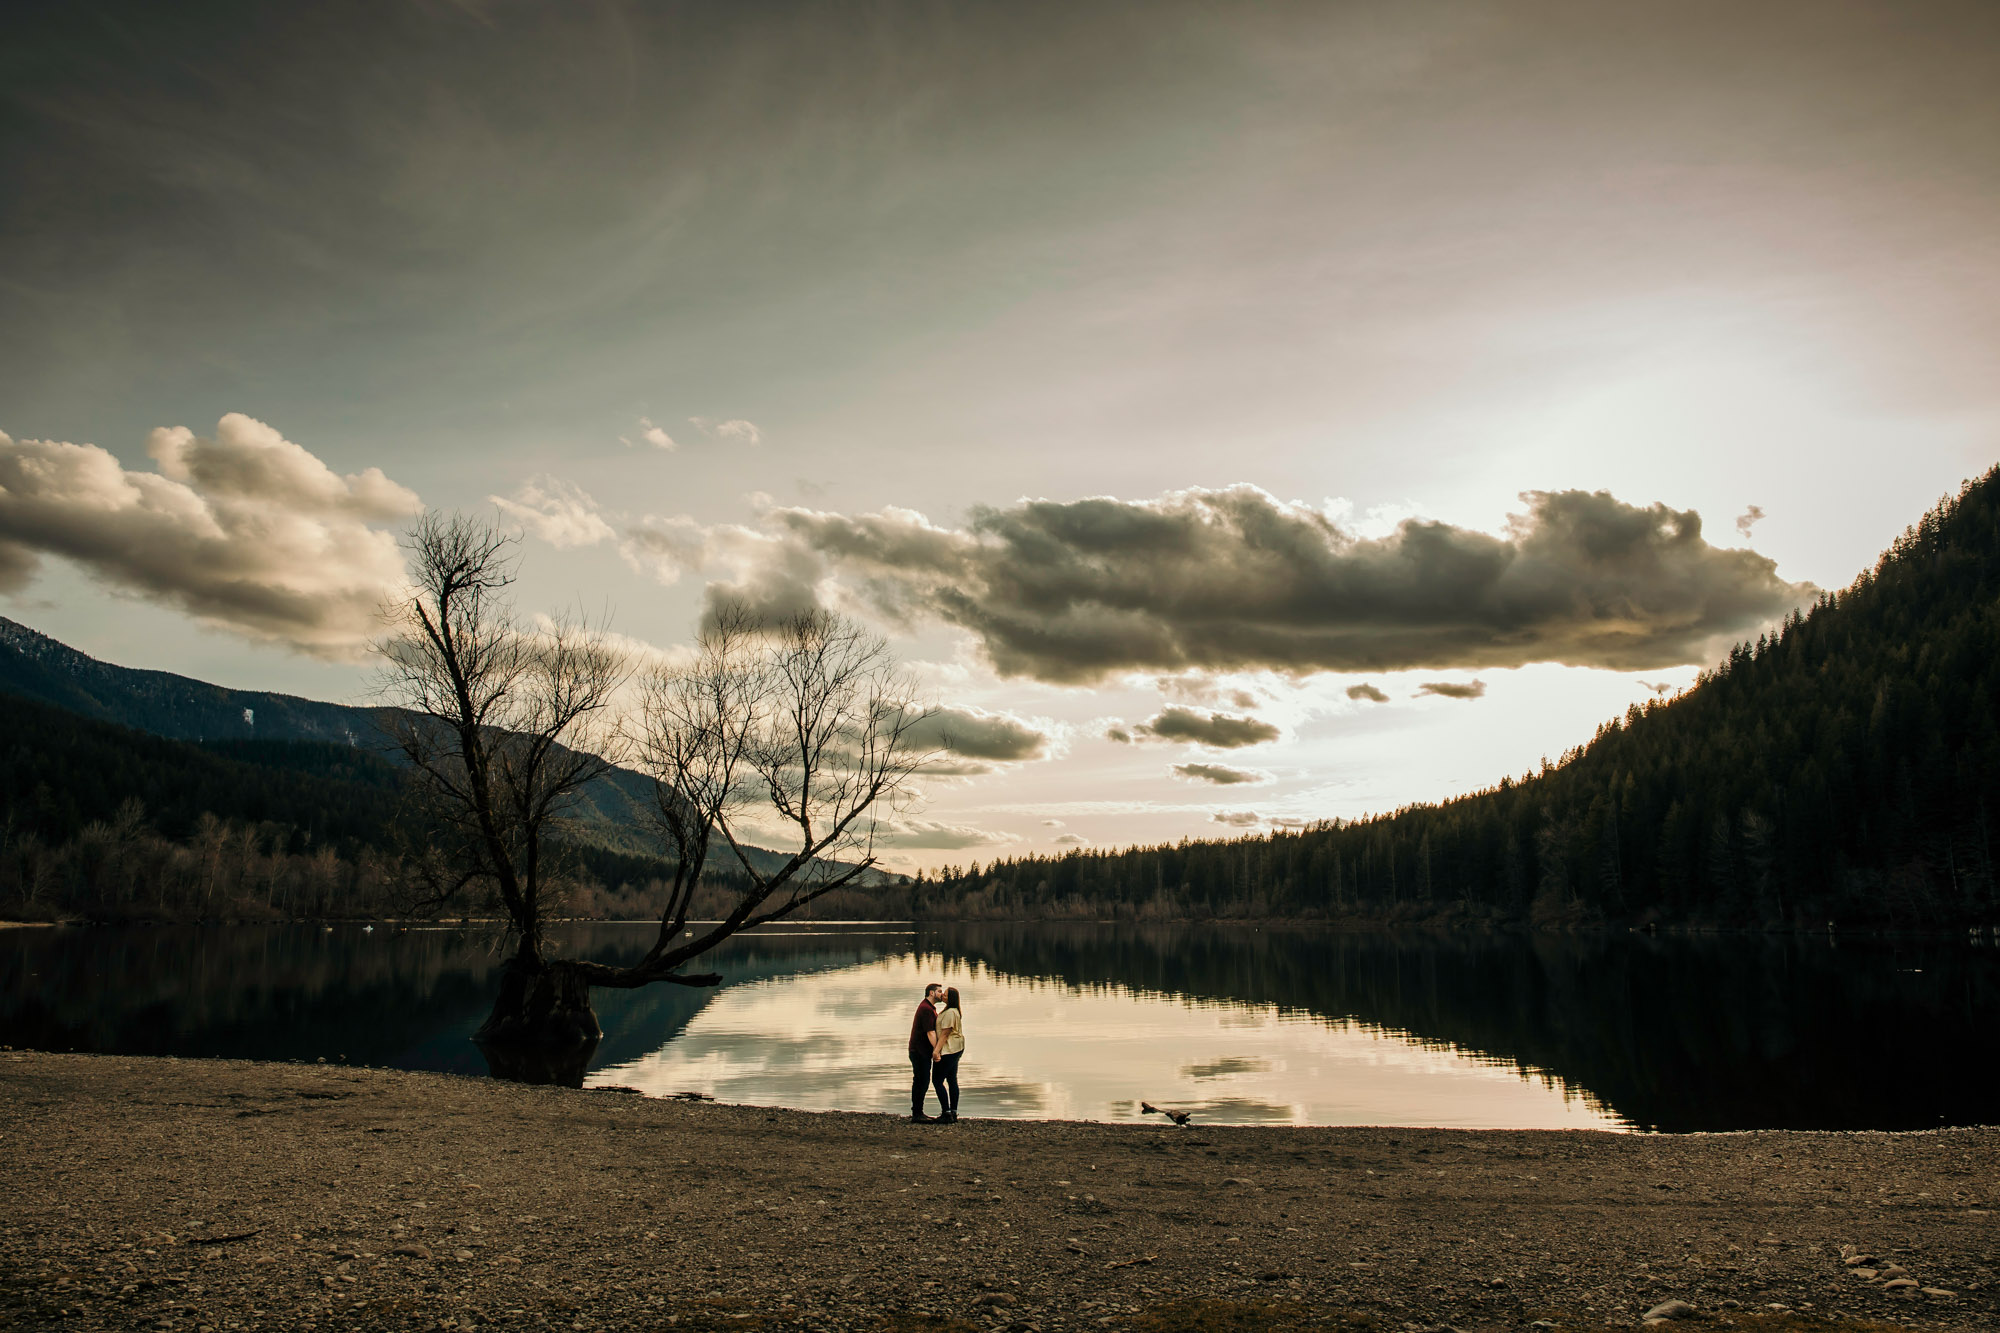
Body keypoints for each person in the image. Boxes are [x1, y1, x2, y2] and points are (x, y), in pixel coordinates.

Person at [907, 981, 944, 1122]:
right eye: (939, 991)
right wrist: (937, 1051)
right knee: (921, 1081)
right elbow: (930, 1033)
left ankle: (917, 1112)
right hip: (919, 1051)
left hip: (919, 1051)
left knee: (921, 1080)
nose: (941, 994)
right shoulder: (926, 1009)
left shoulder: (928, 1007)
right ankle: (917, 1114)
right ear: (931, 993)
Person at [931, 986, 965, 1123]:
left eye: (945, 995)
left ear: (950, 998)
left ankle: (946, 1112)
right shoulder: (952, 1011)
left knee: (937, 1080)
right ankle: (953, 1112)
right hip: (956, 1049)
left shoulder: (951, 1012)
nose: (942, 996)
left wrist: (936, 1051)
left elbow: (945, 1034)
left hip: (949, 1050)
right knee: (951, 1080)